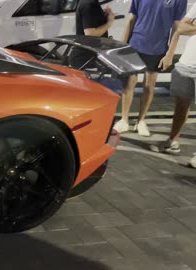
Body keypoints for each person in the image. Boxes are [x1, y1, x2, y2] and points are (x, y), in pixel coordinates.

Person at [113, 0, 187, 137]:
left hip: (157, 50)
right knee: (129, 84)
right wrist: (121, 45)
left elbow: (177, 28)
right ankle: (124, 119)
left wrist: (170, 54)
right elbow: (131, 19)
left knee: (149, 86)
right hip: (135, 45)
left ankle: (141, 121)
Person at [154, 2, 196, 168]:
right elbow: (182, 28)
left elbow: (188, 27)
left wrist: (192, 26)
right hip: (187, 63)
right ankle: (173, 141)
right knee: (181, 105)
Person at [69, 0, 116, 69]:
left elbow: (92, 23)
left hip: (89, 56)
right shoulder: (88, 4)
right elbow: (90, 33)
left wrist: (103, 16)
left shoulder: (91, 3)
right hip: (85, 59)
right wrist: (109, 22)